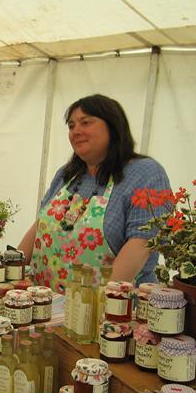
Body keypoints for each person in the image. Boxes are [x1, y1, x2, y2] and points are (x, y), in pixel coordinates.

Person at [19, 94, 171, 290]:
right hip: (45, 306)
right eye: (72, 125)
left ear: (113, 126)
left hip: (111, 310)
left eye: (86, 122)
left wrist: (96, 305)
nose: (76, 131)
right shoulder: (67, 174)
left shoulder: (145, 173)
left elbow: (142, 243)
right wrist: (10, 269)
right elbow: (39, 227)